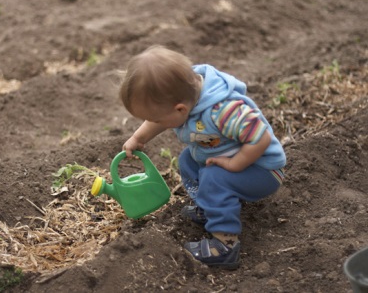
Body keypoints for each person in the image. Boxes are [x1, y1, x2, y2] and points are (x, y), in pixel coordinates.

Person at [120, 45, 286, 269]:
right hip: (225, 155)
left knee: (213, 177)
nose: (155, 124)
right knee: (187, 160)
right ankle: (210, 206)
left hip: (261, 169)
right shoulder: (182, 94)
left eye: (157, 120)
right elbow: (155, 119)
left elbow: (260, 137)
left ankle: (225, 246)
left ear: (180, 110)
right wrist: (139, 137)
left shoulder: (224, 110)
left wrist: (235, 164)